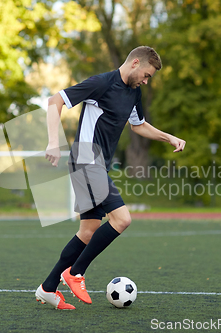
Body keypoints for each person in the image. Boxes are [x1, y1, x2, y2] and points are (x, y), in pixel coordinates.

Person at [35, 46, 186, 310]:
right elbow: (54, 100)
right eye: (147, 74)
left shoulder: (134, 93)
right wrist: (52, 141)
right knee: (122, 218)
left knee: (88, 231)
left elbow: (138, 125)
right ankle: (75, 272)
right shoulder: (102, 83)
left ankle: (48, 288)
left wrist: (168, 137)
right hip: (85, 159)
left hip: (97, 165)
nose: (146, 80)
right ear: (135, 63)